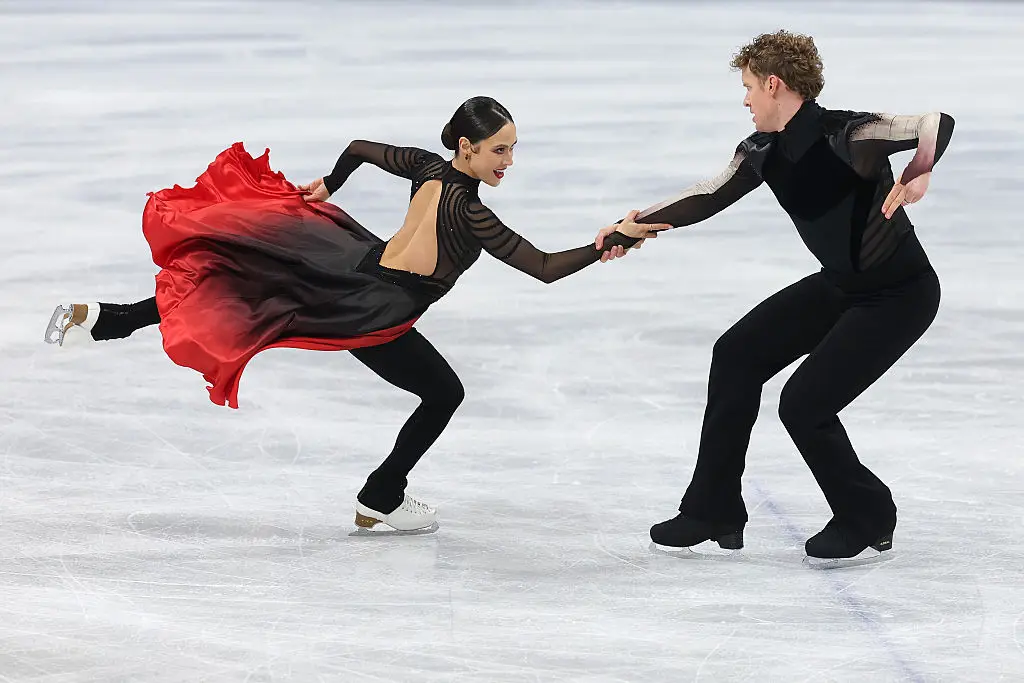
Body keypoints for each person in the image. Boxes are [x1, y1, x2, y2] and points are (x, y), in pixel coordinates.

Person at [46, 96, 658, 533]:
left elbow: (361, 148)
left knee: (250, 278)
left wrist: (331, 185)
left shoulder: (428, 166)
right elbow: (545, 267)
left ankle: (103, 319)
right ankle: (381, 495)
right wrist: (611, 241)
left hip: (357, 264)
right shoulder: (470, 212)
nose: (509, 162)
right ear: (467, 147)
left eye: (515, 150)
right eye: (499, 150)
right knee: (444, 393)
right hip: (375, 306)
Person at [601, 30, 954, 561]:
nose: (744, 100)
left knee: (804, 403)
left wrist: (920, 168)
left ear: (774, 84)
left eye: (748, 88)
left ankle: (867, 512)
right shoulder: (763, 151)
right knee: (736, 354)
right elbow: (708, 195)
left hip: (899, 295)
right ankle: (712, 507)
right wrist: (635, 225)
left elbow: (934, 123)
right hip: (840, 286)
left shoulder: (850, 133)